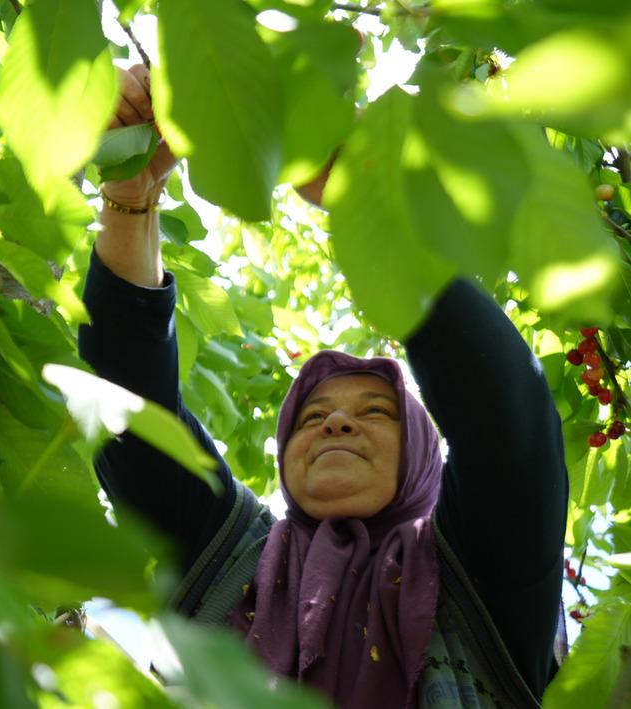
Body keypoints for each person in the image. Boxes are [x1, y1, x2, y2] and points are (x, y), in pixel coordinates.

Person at [78, 65, 568, 708]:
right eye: (311, 418)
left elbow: (508, 418)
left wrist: (367, 200)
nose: (337, 423)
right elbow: (130, 407)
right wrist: (131, 191)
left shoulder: (480, 573)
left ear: (424, 459)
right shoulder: (227, 561)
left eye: (375, 412)